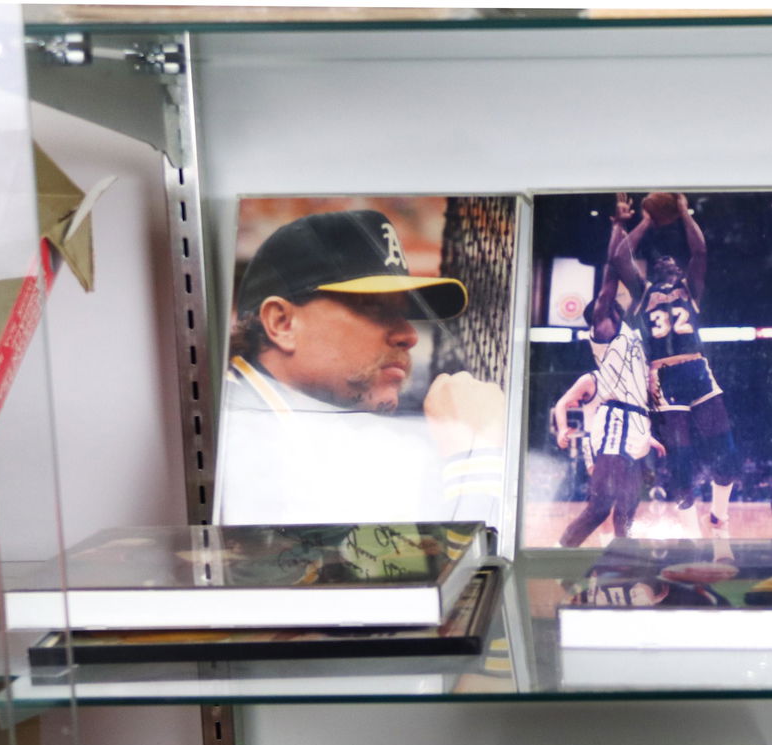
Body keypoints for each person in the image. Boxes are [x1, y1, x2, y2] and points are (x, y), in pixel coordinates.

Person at [215, 208, 507, 526]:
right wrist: (476, 460)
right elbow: (465, 559)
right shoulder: (236, 436)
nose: (409, 335)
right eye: (375, 308)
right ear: (282, 323)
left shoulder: (304, 422)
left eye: (403, 314)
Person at [617, 194, 738, 531]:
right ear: (654, 270)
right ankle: (693, 534)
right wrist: (645, 221)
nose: (667, 261)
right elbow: (620, 257)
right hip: (662, 377)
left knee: (727, 454)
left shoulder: (690, 288)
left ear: (679, 269)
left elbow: (700, 252)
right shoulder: (643, 292)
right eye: (661, 260)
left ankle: (720, 514)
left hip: (696, 369)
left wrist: (684, 213)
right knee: (680, 460)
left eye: (672, 260)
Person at [554, 198, 659, 547]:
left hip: (638, 421)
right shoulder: (603, 332)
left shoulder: (629, 331)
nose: (612, 303)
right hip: (616, 420)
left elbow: (619, 264)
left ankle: (623, 564)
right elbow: (612, 271)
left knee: (627, 509)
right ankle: (559, 555)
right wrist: (620, 225)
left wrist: (624, 225)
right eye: (606, 305)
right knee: (599, 507)